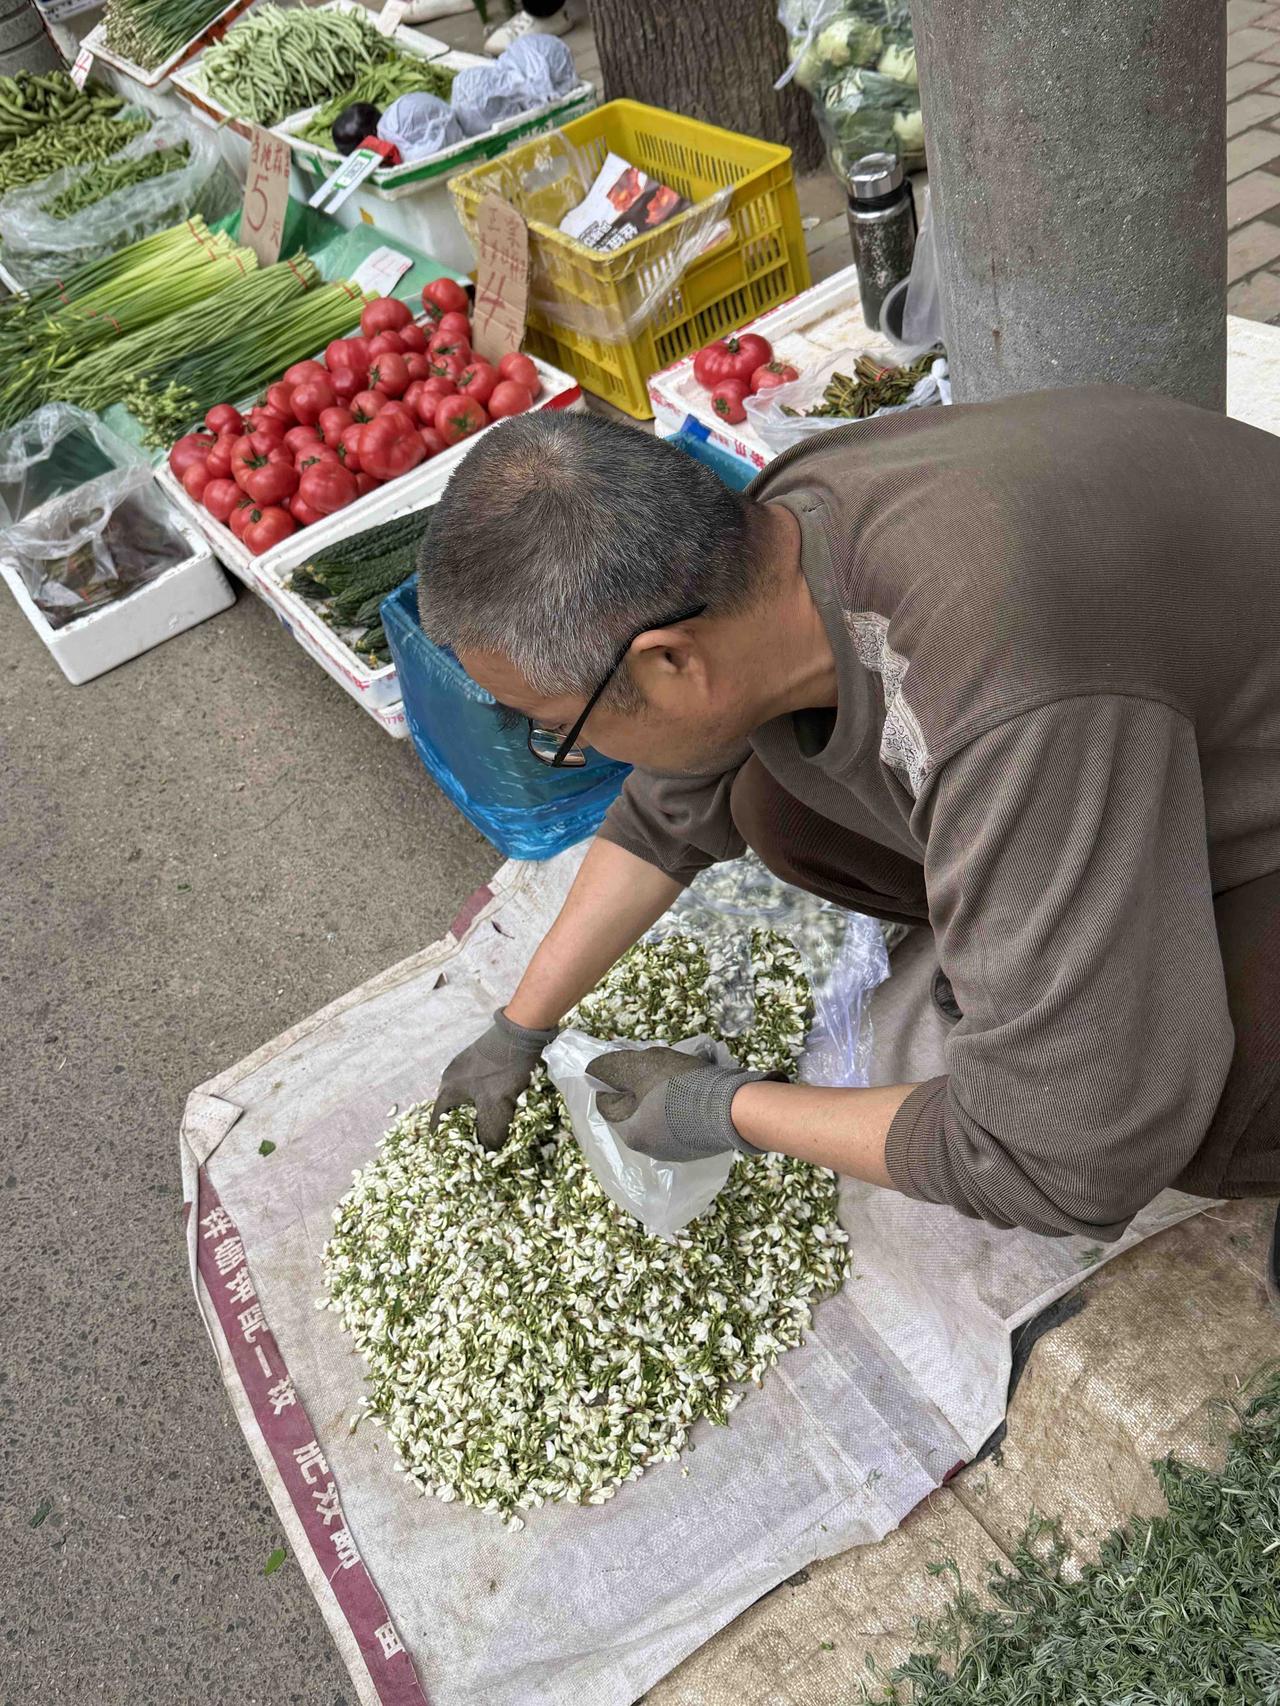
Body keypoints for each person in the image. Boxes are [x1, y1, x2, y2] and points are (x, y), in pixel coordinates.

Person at [418, 397, 1280, 1258]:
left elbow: (1057, 1158)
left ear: (671, 660)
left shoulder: (993, 696)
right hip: (1153, 719)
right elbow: (669, 806)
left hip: (1220, 773)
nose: (573, 752)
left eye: (558, 728)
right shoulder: (773, 538)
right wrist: (521, 1026)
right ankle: (1047, 946)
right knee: (779, 804)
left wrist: (726, 1109)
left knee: (1194, 1109)